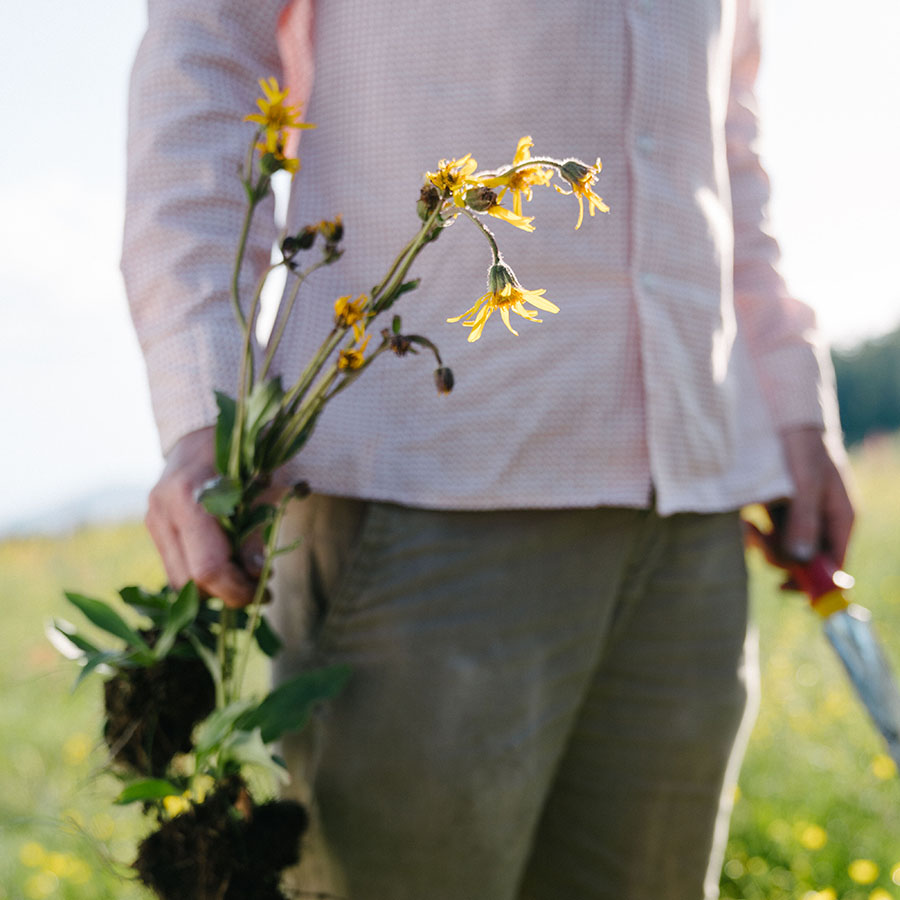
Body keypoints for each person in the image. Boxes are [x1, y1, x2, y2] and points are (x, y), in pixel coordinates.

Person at [122, 1, 855, 897]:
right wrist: (210, 410)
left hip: (691, 513)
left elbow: (728, 139)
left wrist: (792, 402)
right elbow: (203, 68)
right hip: (421, 503)